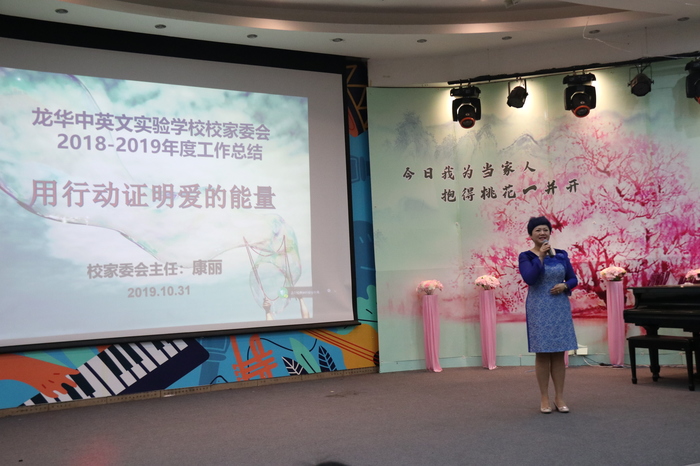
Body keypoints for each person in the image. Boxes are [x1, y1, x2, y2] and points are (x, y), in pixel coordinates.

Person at [518, 216, 578, 414]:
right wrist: (541, 257)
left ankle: (559, 397)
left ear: (550, 232)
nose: (542, 233)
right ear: (531, 235)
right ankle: (544, 397)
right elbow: (530, 278)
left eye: (545, 229)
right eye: (538, 230)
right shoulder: (526, 256)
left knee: (559, 353)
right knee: (543, 353)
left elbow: (573, 278)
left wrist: (565, 286)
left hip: (559, 307)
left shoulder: (561, 254)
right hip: (539, 308)